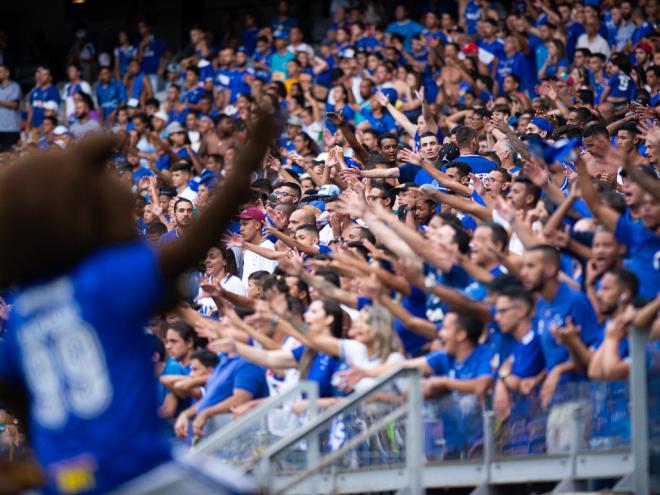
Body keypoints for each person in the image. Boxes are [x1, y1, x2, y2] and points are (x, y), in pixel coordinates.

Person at [0, 116, 278, 493]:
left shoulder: (22, 313)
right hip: (136, 467)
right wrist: (244, 166)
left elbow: (17, 396)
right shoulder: (100, 277)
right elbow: (189, 249)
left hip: (66, 481)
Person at [0, 64, 20, 151]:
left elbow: (14, 104)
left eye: (0, 71)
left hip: (11, 128)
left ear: (7, 73)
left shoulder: (15, 87)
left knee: (11, 154)